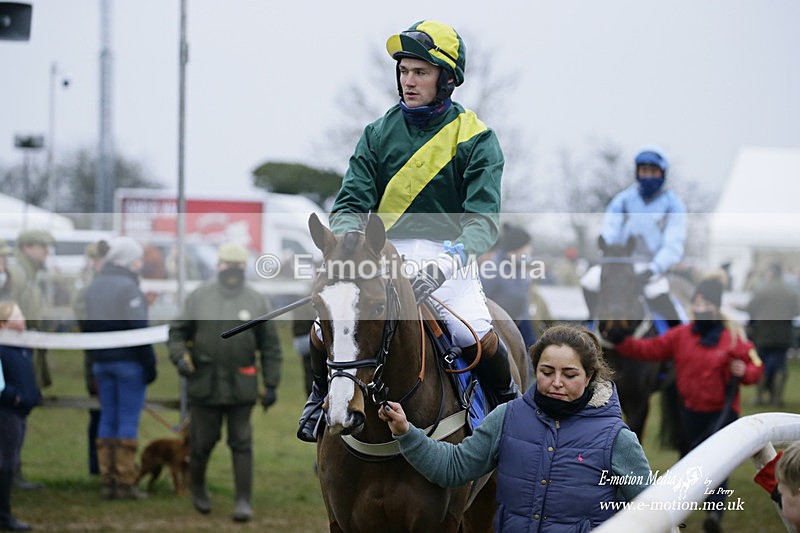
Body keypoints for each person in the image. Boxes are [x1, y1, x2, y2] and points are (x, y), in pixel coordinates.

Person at [298, 20, 517, 442]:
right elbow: (350, 203)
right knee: (324, 327)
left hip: (449, 258)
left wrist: (446, 263)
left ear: (446, 78)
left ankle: (510, 409)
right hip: (382, 253)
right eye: (403, 71)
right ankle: (319, 396)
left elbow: (483, 220)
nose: (409, 81)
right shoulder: (377, 133)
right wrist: (348, 243)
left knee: (473, 332)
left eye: (421, 72)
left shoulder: (477, 137)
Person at [379, 325, 651, 530]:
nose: (557, 382)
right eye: (546, 372)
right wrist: (407, 433)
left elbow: (651, 511)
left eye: (569, 374)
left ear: (589, 376)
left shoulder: (617, 438)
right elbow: (454, 467)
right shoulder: (506, 417)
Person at [608, 274, 763, 533]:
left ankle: (714, 514)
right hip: (689, 412)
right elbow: (649, 349)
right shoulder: (680, 335)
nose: (700, 308)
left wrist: (744, 371)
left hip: (722, 414)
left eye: (706, 303)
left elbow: (756, 366)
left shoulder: (734, 338)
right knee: (689, 461)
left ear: (716, 306)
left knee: (719, 464)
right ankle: (684, 508)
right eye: (697, 303)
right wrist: (621, 341)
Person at [168, 242, 282, 522]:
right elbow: (177, 332)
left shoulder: (256, 300)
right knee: (201, 443)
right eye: (227, 265)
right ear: (218, 265)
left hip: (242, 386)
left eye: (237, 266)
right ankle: (197, 489)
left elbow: (270, 346)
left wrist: (271, 383)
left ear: (244, 267)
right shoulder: (199, 297)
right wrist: (180, 356)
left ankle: (243, 500)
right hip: (204, 385)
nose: (232, 270)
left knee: (242, 443)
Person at [83, 236, 157, 500]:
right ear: (128, 261)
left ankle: (107, 480)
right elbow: (139, 331)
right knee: (126, 420)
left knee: (107, 418)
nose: (140, 264)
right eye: (137, 259)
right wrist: (150, 365)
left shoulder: (93, 287)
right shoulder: (129, 288)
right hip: (129, 364)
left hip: (101, 362)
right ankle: (125, 481)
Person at [581, 147, 687, 324]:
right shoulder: (623, 200)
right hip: (621, 262)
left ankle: (676, 334)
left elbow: (673, 245)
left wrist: (652, 269)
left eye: (653, 172)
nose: (648, 176)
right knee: (589, 281)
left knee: (656, 292)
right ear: (637, 173)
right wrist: (610, 254)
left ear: (662, 174)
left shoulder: (674, 205)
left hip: (653, 267)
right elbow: (611, 230)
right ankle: (592, 324)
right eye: (644, 171)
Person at [6, 230, 54, 491]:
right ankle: (10, 471)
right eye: (42, 246)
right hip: (13, 350)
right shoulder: (17, 276)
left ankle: (13, 469)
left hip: (25, 348)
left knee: (20, 411)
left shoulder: (28, 275)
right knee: (13, 411)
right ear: (26, 247)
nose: (46, 251)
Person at [0, 301, 40, 531]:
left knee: (10, 461)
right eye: (16, 316)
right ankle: (4, 516)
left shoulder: (21, 348)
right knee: (5, 463)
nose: (22, 320)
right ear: (3, 324)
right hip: (6, 412)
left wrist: (32, 395)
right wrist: (14, 397)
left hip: (19, 412)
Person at [72, 240, 110, 476]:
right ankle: (96, 465)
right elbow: (85, 321)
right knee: (98, 411)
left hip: (111, 356)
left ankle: (110, 464)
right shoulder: (87, 290)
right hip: (96, 359)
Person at [744, 263, 800, 406]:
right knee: (780, 365)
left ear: (770, 273)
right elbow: (796, 310)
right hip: (784, 333)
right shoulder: (790, 290)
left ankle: (759, 397)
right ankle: (777, 398)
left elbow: (751, 308)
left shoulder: (762, 289)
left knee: (762, 364)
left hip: (764, 333)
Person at [481, 223, 537, 349]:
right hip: (501, 332)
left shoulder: (520, 268)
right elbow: (483, 301)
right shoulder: (492, 270)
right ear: (516, 248)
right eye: (527, 245)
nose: (530, 249)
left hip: (522, 328)